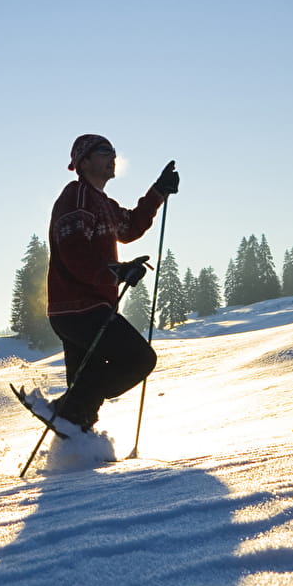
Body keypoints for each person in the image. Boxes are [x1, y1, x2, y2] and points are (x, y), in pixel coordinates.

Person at [46, 134, 179, 433]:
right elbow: (73, 251)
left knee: (87, 385)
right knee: (139, 360)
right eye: (104, 151)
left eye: (114, 151)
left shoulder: (102, 203)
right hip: (79, 308)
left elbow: (129, 227)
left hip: (85, 308)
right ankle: (70, 408)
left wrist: (158, 191)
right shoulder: (76, 196)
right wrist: (116, 273)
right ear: (84, 160)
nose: (113, 157)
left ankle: (77, 446)